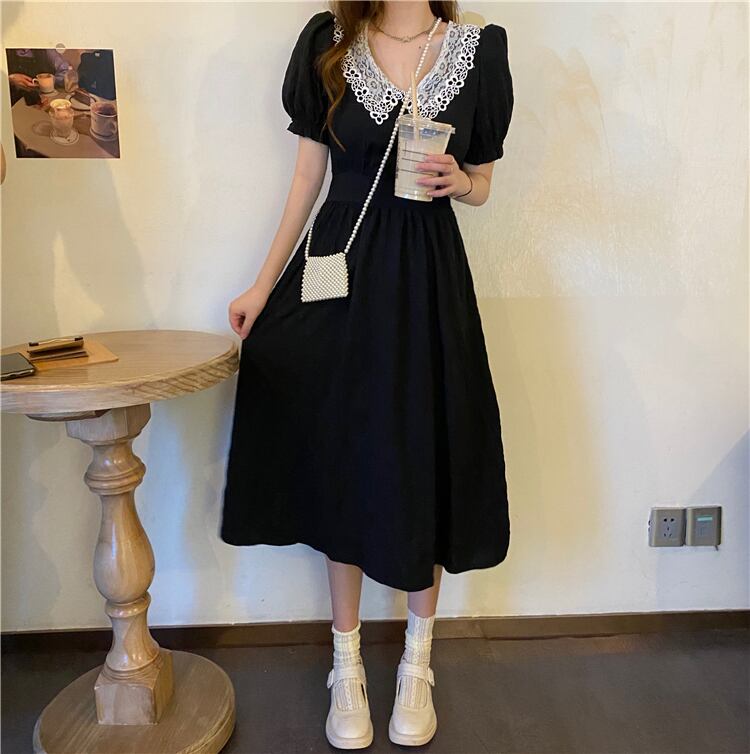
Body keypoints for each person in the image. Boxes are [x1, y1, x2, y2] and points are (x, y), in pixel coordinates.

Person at [220, 1, 513, 748]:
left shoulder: (478, 49)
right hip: (339, 272)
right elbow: (308, 175)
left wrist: (460, 182)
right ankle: (345, 662)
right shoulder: (330, 42)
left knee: (424, 451)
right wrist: (262, 285)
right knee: (342, 456)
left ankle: (418, 661)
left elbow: (483, 180)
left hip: (427, 279)